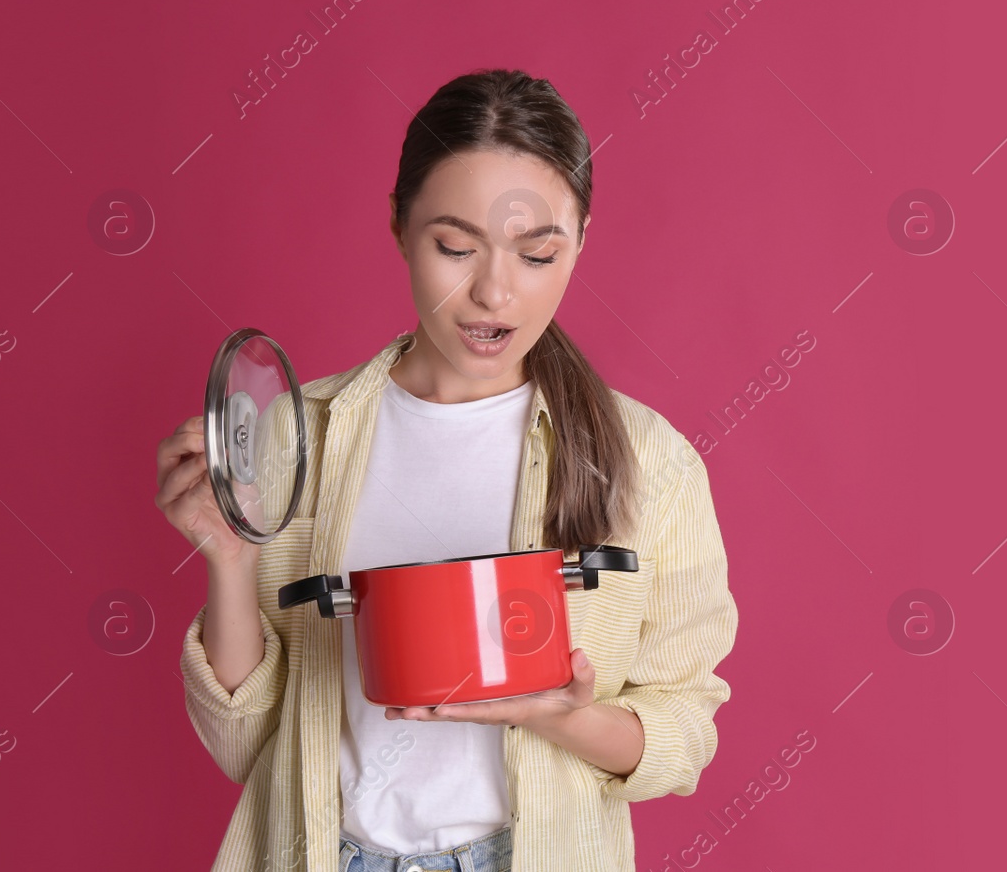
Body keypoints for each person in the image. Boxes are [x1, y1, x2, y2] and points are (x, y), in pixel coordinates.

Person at [154, 68, 738, 872]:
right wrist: (230, 558)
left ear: (581, 239)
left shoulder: (650, 464)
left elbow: (685, 730)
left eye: (538, 253)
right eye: (455, 247)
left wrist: (553, 715)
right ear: (398, 225)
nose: (493, 291)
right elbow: (247, 744)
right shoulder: (297, 439)